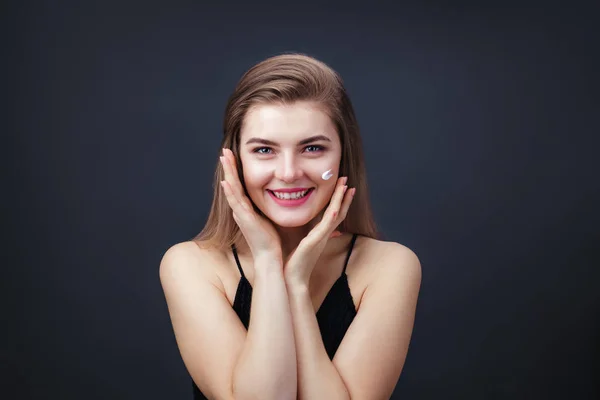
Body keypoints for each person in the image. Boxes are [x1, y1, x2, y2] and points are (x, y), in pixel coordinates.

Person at [159, 53, 422, 400]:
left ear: (343, 156)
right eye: (264, 150)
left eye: (312, 148)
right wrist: (269, 262)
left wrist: (296, 285)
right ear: (234, 160)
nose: (288, 172)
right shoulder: (190, 265)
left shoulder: (390, 266)